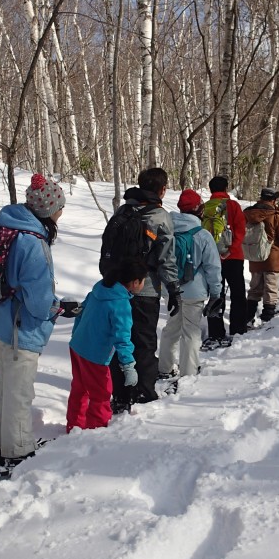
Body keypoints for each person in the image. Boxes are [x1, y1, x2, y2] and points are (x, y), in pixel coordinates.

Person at [0, 173, 66, 469]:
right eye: (59, 206)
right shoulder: (32, 242)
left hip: (0, 322)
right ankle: (17, 452)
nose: (61, 211)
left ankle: (3, 445)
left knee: (6, 390)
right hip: (20, 329)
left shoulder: (11, 227)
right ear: (48, 210)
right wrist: (57, 308)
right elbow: (39, 302)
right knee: (19, 394)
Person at [107, 167, 178, 413]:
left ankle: (120, 394)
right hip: (146, 289)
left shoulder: (123, 211)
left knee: (121, 340)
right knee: (144, 343)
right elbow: (167, 257)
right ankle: (144, 393)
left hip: (117, 288)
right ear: (162, 190)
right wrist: (173, 289)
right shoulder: (160, 216)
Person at [66, 261, 148, 432]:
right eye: (143, 281)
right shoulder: (120, 304)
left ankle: (74, 426)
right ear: (135, 282)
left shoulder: (100, 289)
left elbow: (80, 313)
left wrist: (76, 335)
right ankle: (95, 431)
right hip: (95, 355)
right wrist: (128, 365)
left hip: (77, 347)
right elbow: (122, 338)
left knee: (79, 388)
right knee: (101, 393)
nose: (144, 284)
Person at [159, 190, 223, 380]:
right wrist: (216, 292)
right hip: (194, 292)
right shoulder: (202, 235)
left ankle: (165, 368)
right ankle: (188, 372)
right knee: (191, 332)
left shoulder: (168, 230)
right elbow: (213, 267)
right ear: (199, 209)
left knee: (171, 328)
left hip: (170, 288)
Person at [203, 175, 247, 347]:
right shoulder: (233, 206)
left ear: (211, 189)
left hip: (213, 258)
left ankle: (215, 332)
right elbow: (240, 230)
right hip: (234, 257)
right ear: (226, 188)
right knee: (237, 293)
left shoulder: (206, 207)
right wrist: (231, 250)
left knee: (216, 294)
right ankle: (238, 329)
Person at [243, 187, 279, 324]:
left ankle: (247, 318)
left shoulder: (249, 213)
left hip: (255, 256)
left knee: (254, 290)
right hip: (272, 258)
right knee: (271, 290)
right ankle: (267, 320)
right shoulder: (276, 215)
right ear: (274, 200)